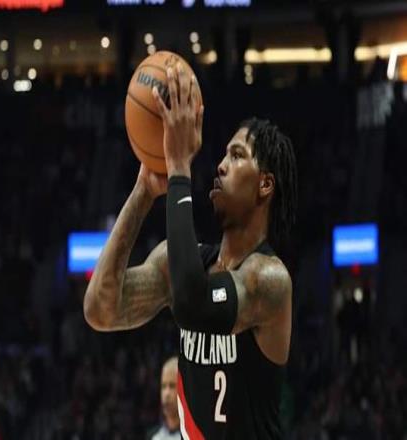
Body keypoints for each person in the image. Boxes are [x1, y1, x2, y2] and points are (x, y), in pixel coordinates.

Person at [84, 63, 298, 439]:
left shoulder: (269, 280)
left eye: (237, 156)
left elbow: (193, 304)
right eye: (224, 155)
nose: (220, 165)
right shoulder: (185, 264)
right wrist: (144, 191)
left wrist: (179, 169)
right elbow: (100, 310)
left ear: (265, 184)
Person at [146, 356, 181, 440]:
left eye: (172, 386)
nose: (166, 394)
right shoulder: (153, 436)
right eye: (163, 386)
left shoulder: (192, 435)